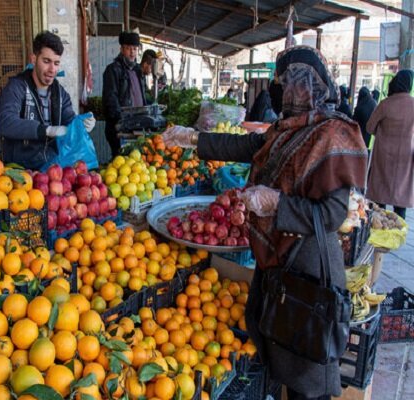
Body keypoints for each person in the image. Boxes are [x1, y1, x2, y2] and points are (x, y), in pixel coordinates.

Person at [161, 46, 368, 400]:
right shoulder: (286, 129)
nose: (281, 92)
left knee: (304, 369)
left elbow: (332, 215)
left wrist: (277, 203)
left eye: (286, 84)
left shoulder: (333, 134)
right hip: (277, 261)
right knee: (274, 343)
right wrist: (192, 138)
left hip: (308, 266)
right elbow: (246, 146)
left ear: (306, 85)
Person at [0, 31, 95, 170]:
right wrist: (46, 130)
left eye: (56, 63)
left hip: (52, 171)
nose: (52, 69)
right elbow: (5, 123)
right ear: (33, 59)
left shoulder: (60, 94)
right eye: (46, 61)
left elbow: (69, 122)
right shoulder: (16, 87)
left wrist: (81, 125)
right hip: (19, 172)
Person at [365, 69, 414, 219]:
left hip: (383, 157)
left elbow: (369, 127)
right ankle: (397, 236)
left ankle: (379, 236)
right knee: (400, 205)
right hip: (405, 158)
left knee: (379, 203)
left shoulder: (385, 104)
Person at [102, 31, 146, 157]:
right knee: (121, 163)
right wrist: (121, 121)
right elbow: (110, 99)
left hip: (137, 126)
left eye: (134, 48)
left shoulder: (138, 70)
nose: (132, 52)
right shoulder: (113, 70)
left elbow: (142, 95)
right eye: (128, 48)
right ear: (121, 49)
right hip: (120, 128)